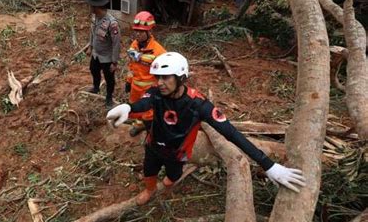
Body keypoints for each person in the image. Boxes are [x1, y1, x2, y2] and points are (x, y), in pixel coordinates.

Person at [106, 52, 306, 205]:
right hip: (153, 145)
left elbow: (231, 133)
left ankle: (167, 184)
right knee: (149, 171)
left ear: (181, 78)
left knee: (172, 177)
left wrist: (268, 165)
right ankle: (149, 191)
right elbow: (144, 103)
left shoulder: (198, 105)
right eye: (158, 77)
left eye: (166, 77)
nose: (160, 83)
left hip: (177, 153)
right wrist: (128, 107)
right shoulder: (156, 93)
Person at [126, 11, 166, 137]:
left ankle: (145, 126)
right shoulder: (134, 45)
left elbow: (164, 72)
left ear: (149, 32)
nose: (137, 34)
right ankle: (137, 120)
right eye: (136, 31)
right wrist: (128, 81)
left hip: (149, 88)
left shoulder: (158, 51)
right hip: (135, 86)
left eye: (141, 32)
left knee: (148, 111)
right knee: (134, 105)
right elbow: (131, 66)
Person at [85, 0, 121, 108]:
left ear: (96, 7)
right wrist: (90, 47)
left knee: (109, 79)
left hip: (107, 57)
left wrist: (114, 62)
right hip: (96, 54)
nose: (89, 7)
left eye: (91, 5)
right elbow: (92, 33)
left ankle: (109, 98)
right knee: (93, 69)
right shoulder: (94, 18)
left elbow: (116, 44)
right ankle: (96, 88)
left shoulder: (112, 23)